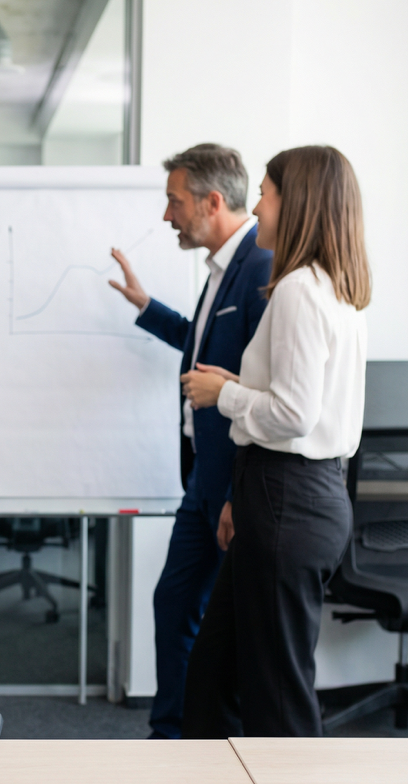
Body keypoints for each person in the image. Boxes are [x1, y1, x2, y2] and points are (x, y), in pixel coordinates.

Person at [180, 145, 370, 738]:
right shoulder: (333, 290)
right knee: (215, 674)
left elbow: (292, 414)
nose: (257, 205)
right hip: (287, 490)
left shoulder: (297, 291)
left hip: (289, 494)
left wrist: (223, 397)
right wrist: (242, 491)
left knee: (277, 695)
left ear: (298, 203)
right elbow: (300, 403)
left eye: (265, 192)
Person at [108, 144, 272, 739]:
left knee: (234, 626)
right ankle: (171, 734)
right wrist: (147, 307)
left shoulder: (261, 266)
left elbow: (256, 387)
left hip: (231, 484)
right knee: (174, 604)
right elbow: (203, 353)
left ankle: (217, 742)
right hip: (200, 481)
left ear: (211, 200)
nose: (167, 215)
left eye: (175, 201)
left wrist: (236, 493)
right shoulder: (222, 269)